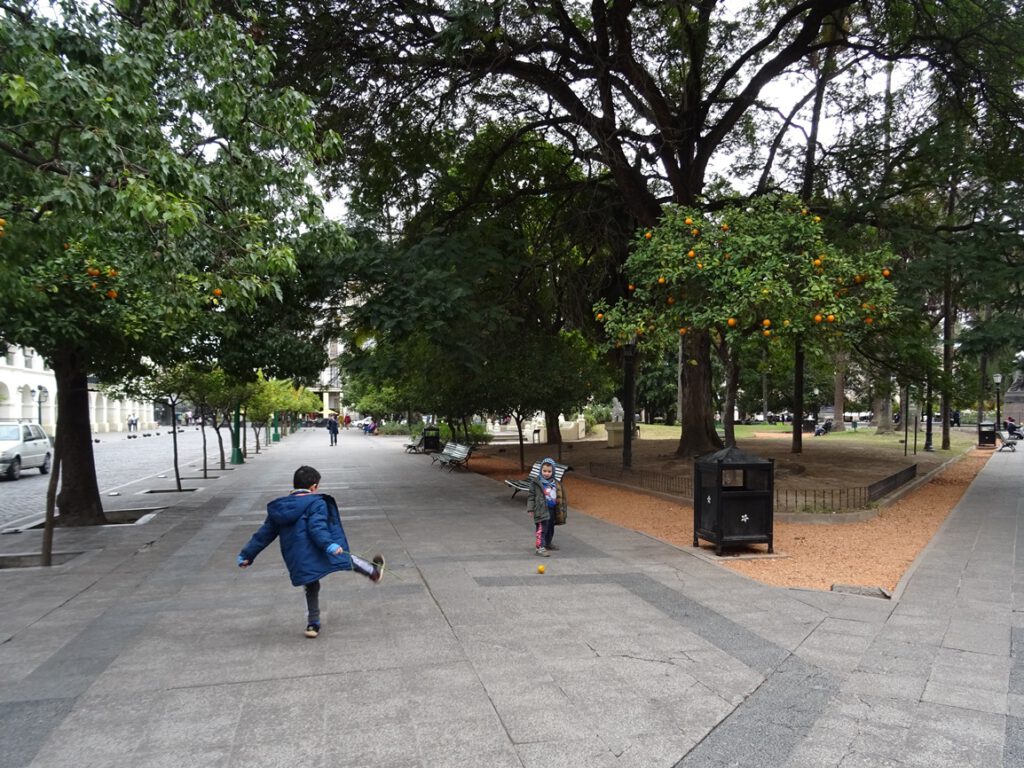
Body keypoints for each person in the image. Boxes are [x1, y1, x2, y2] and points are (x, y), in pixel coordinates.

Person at [237, 465, 384, 638]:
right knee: (346, 558)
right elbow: (317, 528)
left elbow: (263, 534)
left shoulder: (280, 508)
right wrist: (329, 544)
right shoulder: (316, 502)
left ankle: (313, 624)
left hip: (298, 556)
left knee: (311, 585)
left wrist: (247, 555)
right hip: (320, 548)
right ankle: (373, 572)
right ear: (314, 487)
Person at [528, 457, 564, 557]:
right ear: (541, 470)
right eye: (544, 471)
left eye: (549, 471)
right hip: (541, 509)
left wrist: (560, 505)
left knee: (550, 527)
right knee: (541, 528)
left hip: (552, 509)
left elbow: (559, 495)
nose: (546, 473)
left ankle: (547, 543)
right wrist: (530, 508)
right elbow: (531, 496)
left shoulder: (555, 483)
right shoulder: (536, 482)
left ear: (553, 471)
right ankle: (540, 547)